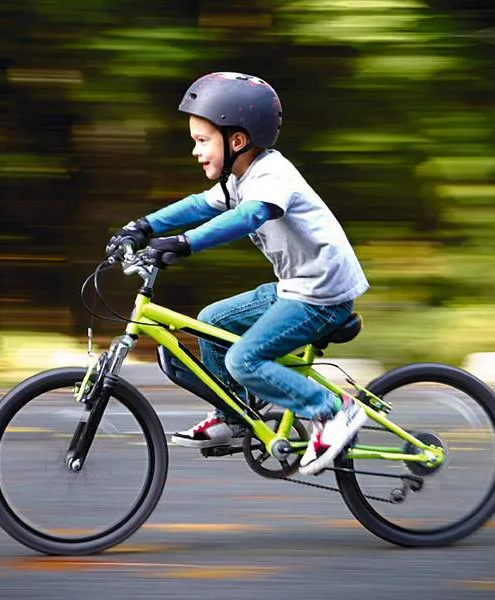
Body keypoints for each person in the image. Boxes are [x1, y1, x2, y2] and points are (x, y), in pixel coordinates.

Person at [105, 72, 370, 475]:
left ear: (237, 141)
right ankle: (233, 416)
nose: (195, 151)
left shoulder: (271, 176)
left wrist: (185, 243)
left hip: (322, 295)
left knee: (244, 360)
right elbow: (198, 205)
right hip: (294, 287)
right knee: (212, 323)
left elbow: (250, 216)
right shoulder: (238, 178)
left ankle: (335, 411)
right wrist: (142, 227)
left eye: (201, 140)